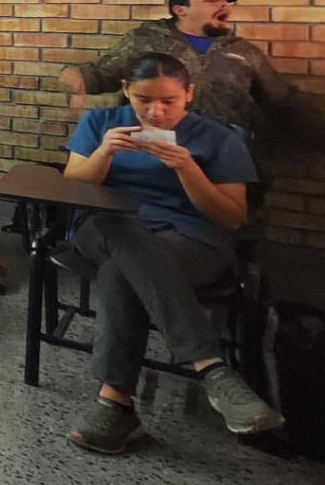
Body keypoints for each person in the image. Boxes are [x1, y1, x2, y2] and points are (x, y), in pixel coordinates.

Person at [61, 52, 283, 454]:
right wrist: (104, 153)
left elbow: (232, 217)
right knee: (120, 229)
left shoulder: (217, 137)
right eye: (144, 99)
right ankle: (211, 367)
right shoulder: (101, 123)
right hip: (106, 226)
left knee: (120, 272)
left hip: (188, 237)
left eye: (169, 101)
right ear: (126, 90)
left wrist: (187, 168)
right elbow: (72, 185)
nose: (156, 112)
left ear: (189, 94)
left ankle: (115, 405)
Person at [57, 0, 325, 141]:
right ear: (180, 10)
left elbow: (284, 102)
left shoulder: (244, 52)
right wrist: (73, 80)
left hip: (224, 158)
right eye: (212, 0)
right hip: (154, 151)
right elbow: (99, 76)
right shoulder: (144, 40)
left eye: (226, 2)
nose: (224, 5)